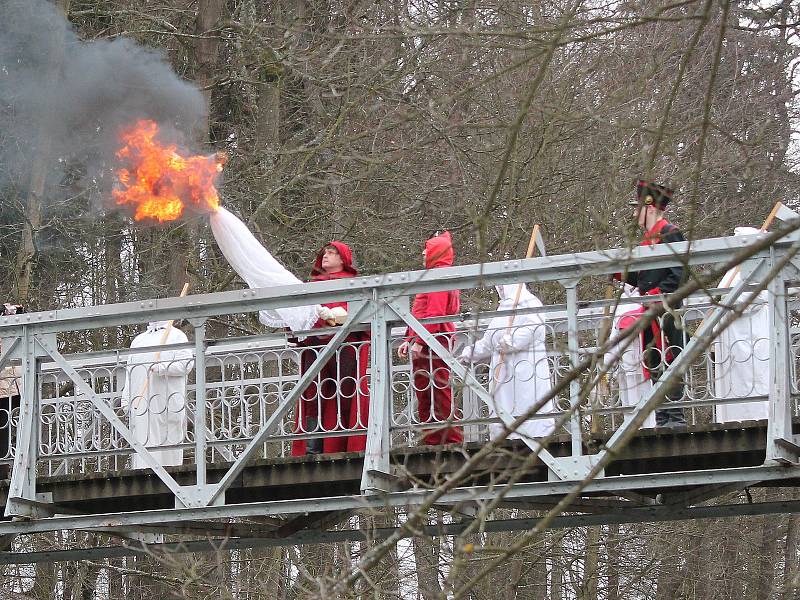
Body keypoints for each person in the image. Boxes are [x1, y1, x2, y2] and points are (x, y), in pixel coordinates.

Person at [616, 179, 688, 427]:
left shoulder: (669, 233)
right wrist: (619, 272)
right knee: (654, 360)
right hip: (650, 309)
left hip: (666, 309)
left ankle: (674, 416)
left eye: (637, 208)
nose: (635, 214)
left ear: (649, 206)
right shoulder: (648, 240)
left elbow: (678, 274)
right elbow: (643, 276)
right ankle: (662, 415)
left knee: (671, 356)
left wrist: (658, 294)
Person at [290, 242, 370, 456]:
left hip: (344, 348)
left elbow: (362, 315)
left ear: (342, 258)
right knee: (312, 394)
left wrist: (336, 316)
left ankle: (343, 444)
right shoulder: (313, 285)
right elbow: (301, 315)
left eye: (332, 252)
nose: (326, 255)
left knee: (345, 392)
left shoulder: (352, 284)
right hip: (315, 347)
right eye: (324, 252)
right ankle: (312, 444)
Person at [459, 284, 554, 440]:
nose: (500, 289)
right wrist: (470, 352)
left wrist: (511, 340)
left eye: (503, 285)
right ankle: (506, 437)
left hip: (527, 369)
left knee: (528, 407)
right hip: (503, 374)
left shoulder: (530, 303)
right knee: (504, 409)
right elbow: (490, 341)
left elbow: (532, 330)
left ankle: (532, 437)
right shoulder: (503, 310)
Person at [399, 231, 464, 445]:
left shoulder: (439, 276)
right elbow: (422, 312)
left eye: (428, 248)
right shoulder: (435, 275)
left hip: (434, 339)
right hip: (430, 338)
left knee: (436, 388)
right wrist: (409, 338)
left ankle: (447, 437)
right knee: (427, 388)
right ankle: (433, 435)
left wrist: (419, 340)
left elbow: (435, 313)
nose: (423, 252)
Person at [713, 226, 769, 422]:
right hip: (732, 342)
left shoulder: (760, 268)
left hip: (751, 341)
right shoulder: (733, 270)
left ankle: (759, 419)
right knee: (734, 390)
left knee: (752, 386)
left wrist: (729, 300)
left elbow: (757, 297)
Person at [122, 321, 194, 469]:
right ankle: (144, 474)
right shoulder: (138, 341)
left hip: (166, 399)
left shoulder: (176, 336)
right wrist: (126, 397)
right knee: (143, 440)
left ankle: (170, 476)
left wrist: (162, 367)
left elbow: (186, 364)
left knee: (168, 441)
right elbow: (130, 371)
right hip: (141, 403)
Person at [603, 284, 656, 428]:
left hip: (642, 357)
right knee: (630, 395)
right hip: (627, 361)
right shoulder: (623, 299)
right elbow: (615, 333)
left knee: (643, 393)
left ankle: (645, 426)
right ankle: (633, 426)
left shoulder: (644, 295)